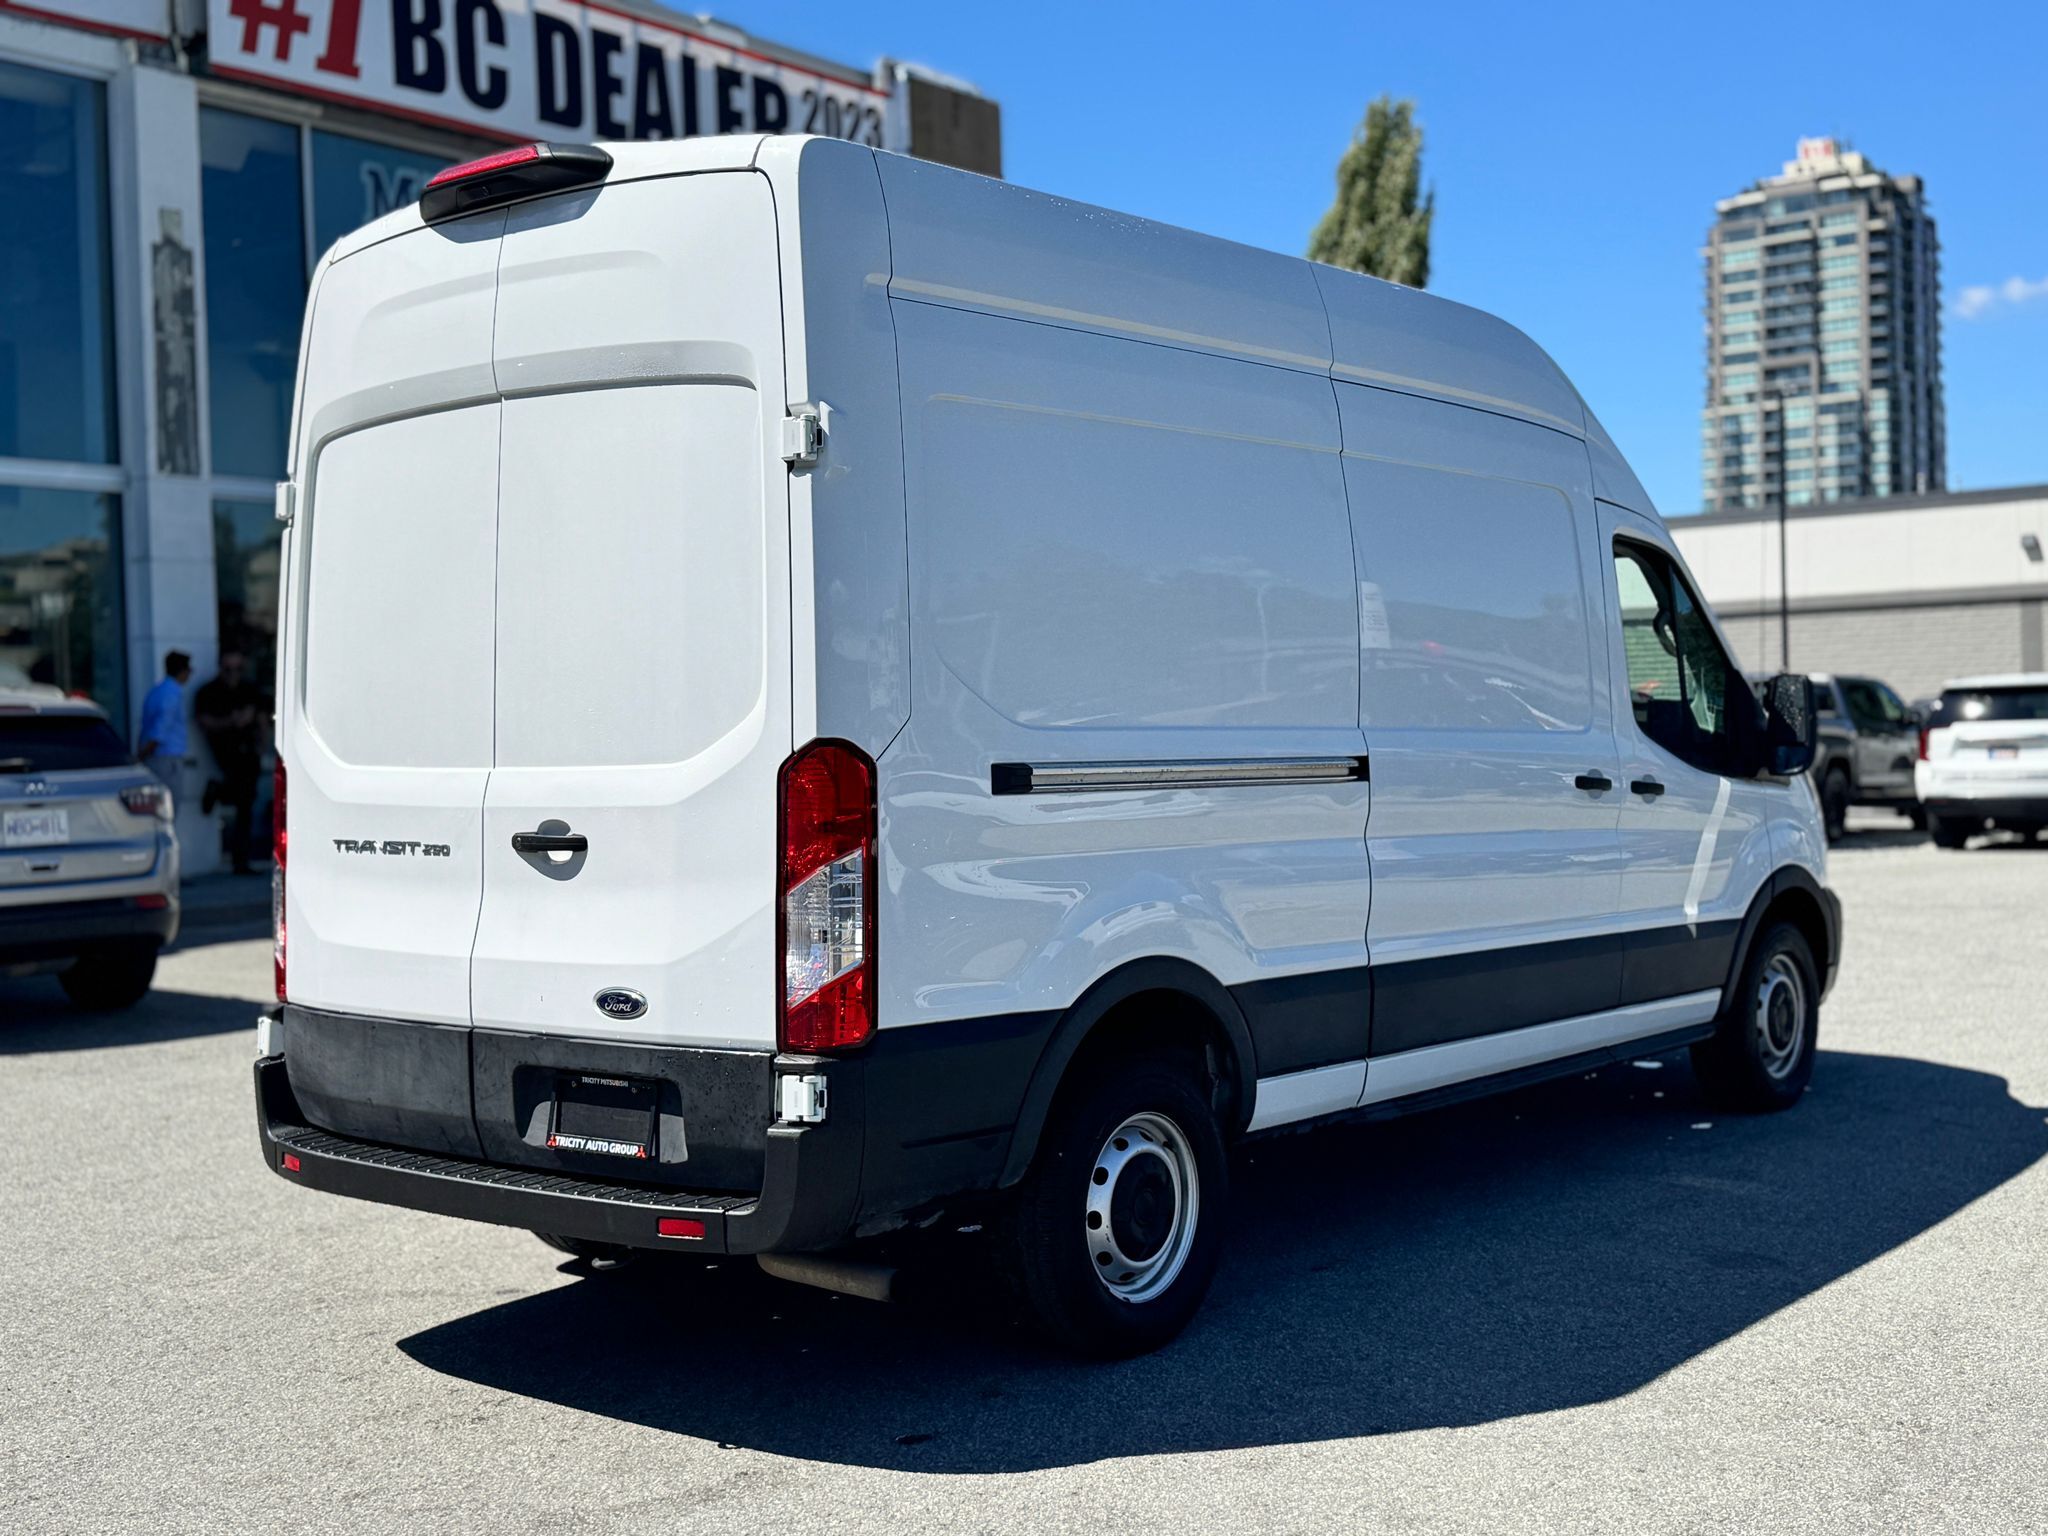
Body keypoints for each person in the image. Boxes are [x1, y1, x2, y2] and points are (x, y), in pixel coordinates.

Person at [195, 650, 266, 875]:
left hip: (249, 752)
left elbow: (261, 718)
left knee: (246, 804)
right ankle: (218, 790)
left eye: (237, 669)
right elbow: (205, 721)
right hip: (226, 751)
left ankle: (241, 861)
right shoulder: (210, 692)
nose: (233, 674)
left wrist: (262, 745)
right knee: (241, 796)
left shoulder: (249, 689)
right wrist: (231, 722)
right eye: (228, 669)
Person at [136, 651, 191, 794]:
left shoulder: (156, 691)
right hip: (166, 759)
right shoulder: (172, 693)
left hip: (153, 756)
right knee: (169, 804)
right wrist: (145, 752)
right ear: (183, 671)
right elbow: (161, 728)